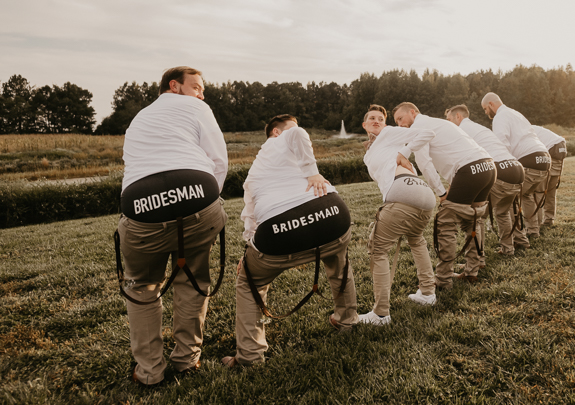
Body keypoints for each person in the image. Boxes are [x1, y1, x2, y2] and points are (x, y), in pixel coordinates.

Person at [118, 66, 228, 386]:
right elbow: (218, 160)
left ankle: (150, 371)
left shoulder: (139, 118)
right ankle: (186, 359)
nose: (202, 93)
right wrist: (205, 201)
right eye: (197, 87)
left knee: (141, 286)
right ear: (174, 85)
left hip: (141, 210)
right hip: (198, 199)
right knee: (192, 279)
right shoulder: (196, 107)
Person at [223, 114, 357, 367]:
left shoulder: (254, 173)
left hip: (280, 228)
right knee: (339, 264)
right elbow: (297, 133)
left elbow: (250, 217)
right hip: (333, 215)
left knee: (250, 282)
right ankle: (347, 320)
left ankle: (250, 355)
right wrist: (312, 173)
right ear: (275, 132)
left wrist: (249, 251)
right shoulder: (282, 139)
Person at [393, 102, 496, 288]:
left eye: (401, 118)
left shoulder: (419, 127)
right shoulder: (440, 123)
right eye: (396, 122)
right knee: (473, 220)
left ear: (413, 112)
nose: (400, 124)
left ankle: (442, 280)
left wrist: (441, 192)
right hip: (488, 166)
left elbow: (424, 163)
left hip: (470, 169)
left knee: (445, 223)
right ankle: (473, 269)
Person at [359, 105, 438, 325]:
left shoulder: (389, 133)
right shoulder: (370, 153)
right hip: (423, 195)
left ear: (386, 124)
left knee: (378, 249)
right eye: (371, 118)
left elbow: (428, 132)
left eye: (381, 119)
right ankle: (428, 293)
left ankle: (381, 314)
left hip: (405, 189)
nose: (376, 121)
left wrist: (404, 152)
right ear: (364, 125)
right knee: (416, 240)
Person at [445, 105, 525, 256]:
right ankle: (508, 250)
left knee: (478, 215)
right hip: (516, 168)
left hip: (500, 169)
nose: (448, 123)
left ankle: (478, 260)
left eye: (449, 119)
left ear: (458, 117)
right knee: (502, 212)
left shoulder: (461, 131)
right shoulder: (480, 128)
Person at [481, 92, 551, 242]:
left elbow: (501, 146)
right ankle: (533, 231)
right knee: (526, 195)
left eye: (485, 109)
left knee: (510, 196)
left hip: (529, 160)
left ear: (492, 104)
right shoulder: (516, 114)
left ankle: (520, 239)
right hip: (544, 158)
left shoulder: (500, 117)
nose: (486, 112)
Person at [531, 125, 567, 230]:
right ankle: (549, 219)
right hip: (561, 148)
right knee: (551, 191)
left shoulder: (525, 131)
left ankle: (536, 223)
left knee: (539, 192)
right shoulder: (534, 128)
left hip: (550, 151)